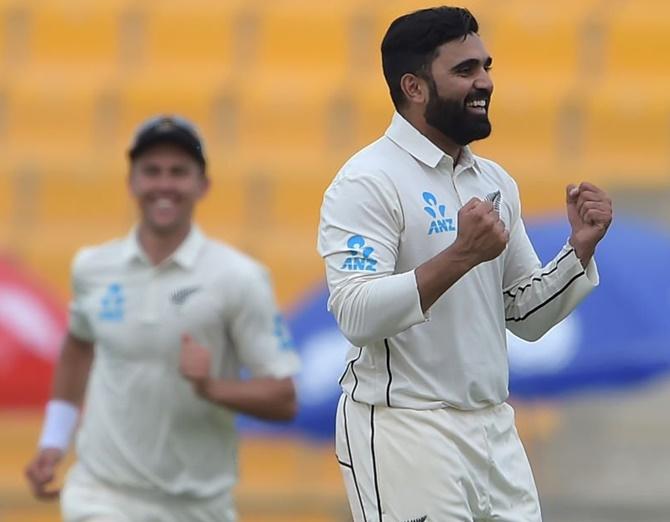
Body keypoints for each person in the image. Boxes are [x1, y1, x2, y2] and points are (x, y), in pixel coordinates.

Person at [317, 7, 612, 522]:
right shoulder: (367, 181)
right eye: (465, 71)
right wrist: (460, 255)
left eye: (486, 66)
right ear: (413, 86)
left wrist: (579, 250)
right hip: (405, 427)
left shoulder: (492, 180)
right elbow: (356, 315)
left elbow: (524, 316)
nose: (485, 82)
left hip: (494, 429)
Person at [25, 115, 300, 522]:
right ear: (132, 182)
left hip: (198, 505)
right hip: (101, 494)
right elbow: (78, 346)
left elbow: (283, 398)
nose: (164, 185)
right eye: (151, 171)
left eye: (179, 172)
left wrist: (210, 387)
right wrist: (53, 440)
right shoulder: (93, 266)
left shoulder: (238, 277)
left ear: (202, 185)